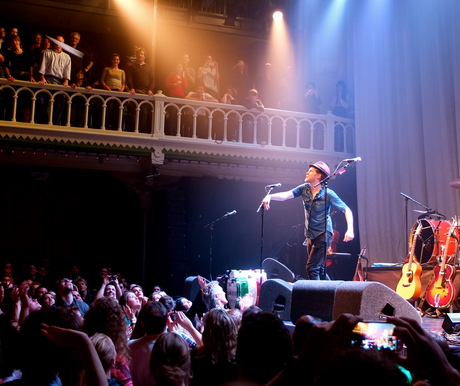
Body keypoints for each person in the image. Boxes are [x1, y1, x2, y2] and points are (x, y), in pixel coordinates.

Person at [262, 161, 354, 279]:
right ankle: (331, 293)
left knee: (312, 268)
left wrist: (350, 230)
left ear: (318, 175)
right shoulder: (304, 189)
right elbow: (286, 195)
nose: (306, 173)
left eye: (310, 171)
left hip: (324, 233)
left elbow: (346, 210)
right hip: (311, 234)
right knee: (319, 269)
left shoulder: (328, 193)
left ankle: (315, 296)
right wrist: (270, 196)